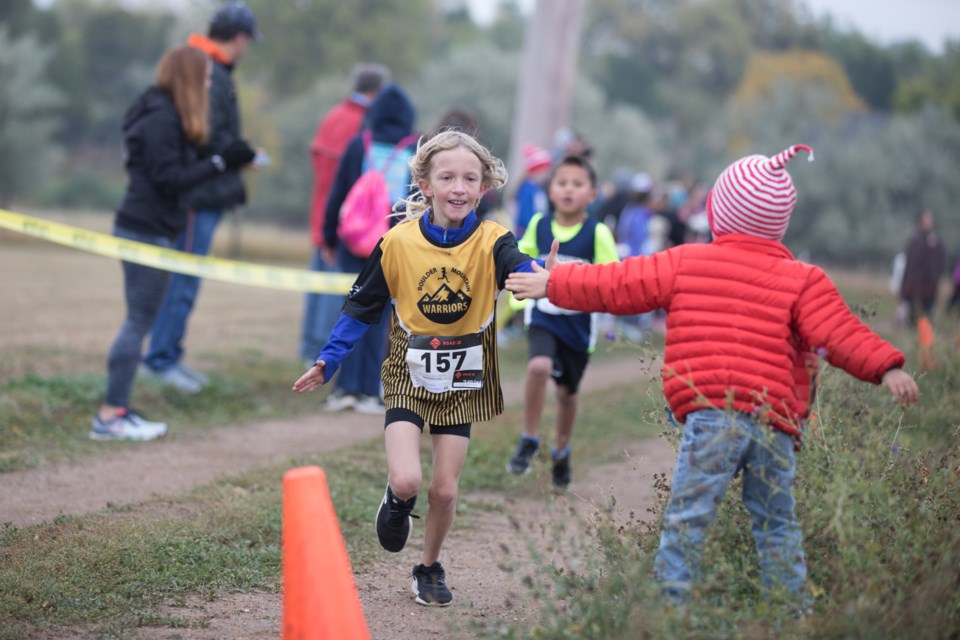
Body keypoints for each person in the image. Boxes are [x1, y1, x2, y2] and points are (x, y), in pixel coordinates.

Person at [506, 144, 920, 606]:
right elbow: (840, 332)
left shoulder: (686, 261)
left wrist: (554, 283)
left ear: (718, 211)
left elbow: (618, 284)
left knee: (688, 519)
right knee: (776, 523)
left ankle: (671, 613)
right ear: (779, 222)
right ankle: (790, 614)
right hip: (775, 424)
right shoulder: (804, 279)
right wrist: (887, 366)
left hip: (713, 415)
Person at [292, 130, 558, 606]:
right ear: (425, 183)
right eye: (447, 176)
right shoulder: (396, 243)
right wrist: (328, 361)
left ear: (483, 188)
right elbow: (361, 308)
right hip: (408, 373)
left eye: (469, 178)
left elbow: (518, 266)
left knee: (444, 491)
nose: (458, 187)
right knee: (410, 480)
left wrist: (540, 274)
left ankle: (429, 567)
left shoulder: (494, 240)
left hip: (464, 377)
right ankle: (396, 501)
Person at [93, 45, 255, 441]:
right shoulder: (161, 118)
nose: (206, 85)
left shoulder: (167, 114)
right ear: (187, 77)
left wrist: (225, 155)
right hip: (144, 229)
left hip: (155, 227)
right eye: (202, 78)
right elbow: (169, 178)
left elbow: (182, 162)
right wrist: (220, 165)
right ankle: (111, 416)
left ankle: (118, 409)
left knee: (139, 320)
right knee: (138, 322)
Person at [140, 1, 260, 393]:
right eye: (247, 42)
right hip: (199, 193)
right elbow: (203, 131)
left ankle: (170, 355)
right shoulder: (209, 71)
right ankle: (159, 361)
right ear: (240, 38)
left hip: (210, 189)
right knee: (182, 279)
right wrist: (236, 154)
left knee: (187, 280)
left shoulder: (212, 69)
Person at [505, 155, 619, 488]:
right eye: (562, 183)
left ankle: (561, 450)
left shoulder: (597, 232)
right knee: (538, 367)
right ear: (551, 190)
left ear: (592, 194)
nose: (569, 189)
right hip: (543, 316)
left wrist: (583, 280)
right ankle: (529, 438)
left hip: (578, 325)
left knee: (568, 393)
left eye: (578, 184)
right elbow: (518, 259)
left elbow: (613, 274)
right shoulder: (539, 225)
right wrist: (520, 290)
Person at [318, 83, 418, 414]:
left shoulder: (358, 144)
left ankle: (343, 388)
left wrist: (329, 236)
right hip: (394, 244)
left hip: (352, 243)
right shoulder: (415, 148)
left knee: (350, 312)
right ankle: (369, 392)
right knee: (381, 317)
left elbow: (338, 194)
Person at [299, 63, 390, 365]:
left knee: (317, 289)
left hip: (321, 214)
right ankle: (322, 357)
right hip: (347, 223)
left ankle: (308, 349)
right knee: (334, 292)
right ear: (377, 92)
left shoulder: (333, 116)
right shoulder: (362, 124)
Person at [899, 209, 947, 325]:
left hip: (929, 285)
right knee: (914, 315)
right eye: (927, 218)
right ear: (920, 220)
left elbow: (940, 262)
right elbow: (910, 263)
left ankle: (924, 340)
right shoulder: (915, 240)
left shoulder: (935, 242)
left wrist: (935, 278)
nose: (930, 221)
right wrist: (906, 284)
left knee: (927, 315)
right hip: (915, 284)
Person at [514, 144, 552, 237]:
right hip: (526, 236)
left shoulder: (538, 189)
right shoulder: (527, 190)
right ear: (535, 171)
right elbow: (525, 217)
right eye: (544, 171)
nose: (546, 175)